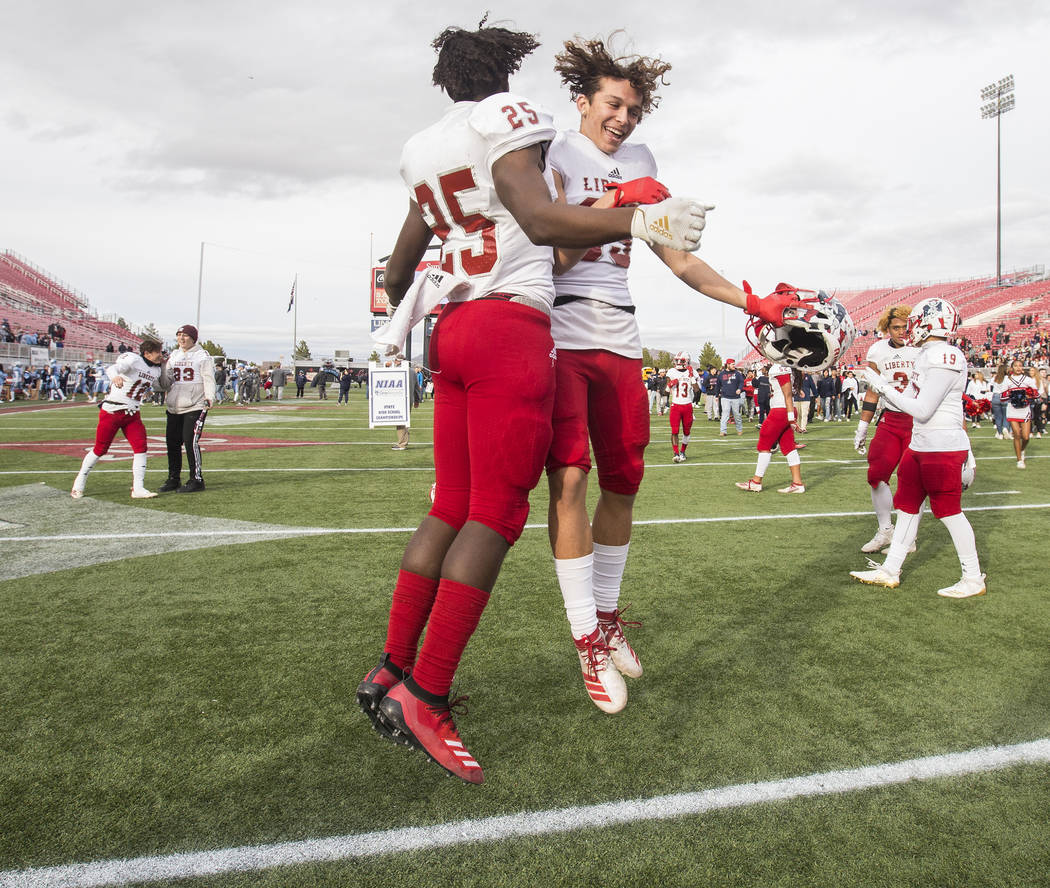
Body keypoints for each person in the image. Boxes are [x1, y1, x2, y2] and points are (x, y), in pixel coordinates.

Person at [356, 18, 712, 784]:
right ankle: (430, 694)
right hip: (507, 324)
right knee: (495, 514)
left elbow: (395, 275)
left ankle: (389, 669)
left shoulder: (423, 149)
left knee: (449, 505)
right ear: (505, 76)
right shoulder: (508, 121)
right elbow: (542, 218)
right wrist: (640, 216)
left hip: (446, 332)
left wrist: (422, 283)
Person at [539, 34, 803, 715]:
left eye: (633, 110)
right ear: (582, 101)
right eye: (613, 105)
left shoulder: (642, 159)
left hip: (621, 335)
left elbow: (679, 260)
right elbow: (553, 257)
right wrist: (615, 207)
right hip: (562, 330)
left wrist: (751, 301)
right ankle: (584, 640)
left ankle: (606, 615)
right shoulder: (553, 152)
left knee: (626, 483)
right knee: (570, 477)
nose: (623, 119)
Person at [852, 298, 985, 598]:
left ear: (928, 322)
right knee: (908, 507)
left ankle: (973, 577)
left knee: (949, 512)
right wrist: (879, 388)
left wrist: (882, 386)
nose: (909, 327)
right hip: (920, 443)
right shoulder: (927, 354)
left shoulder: (946, 355)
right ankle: (890, 569)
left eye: (914, 321)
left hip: (941, 445)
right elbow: (912, 403)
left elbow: (923, 409)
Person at [852, 305, 919, 554]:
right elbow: (873, 389)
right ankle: (886, 531)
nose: (902, 331)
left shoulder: (922, 347)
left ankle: (908, 538)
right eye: (896, 327)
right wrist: (862, 426)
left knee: (911, 480)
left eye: (905, 326)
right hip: (890, 419)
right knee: (877, 473)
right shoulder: (878, 350)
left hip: (918, 420)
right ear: (886, 329)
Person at [71, 338, 166, 500]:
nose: (160, 355)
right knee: (100, 449)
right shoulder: (134, 359)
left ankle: (138, 488)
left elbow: (159, 385)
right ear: (147, 353)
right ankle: (78, 483)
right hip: (113, 410)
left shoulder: (157, 369)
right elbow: (112, 369)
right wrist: (115, 377)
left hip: (132, 413)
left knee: (141, 447)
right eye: (158, 352)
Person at [156, 324, 215, 493]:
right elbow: (166, 382)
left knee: (190, 441)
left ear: (193, 338)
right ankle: (173, 478)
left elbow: (208, 378)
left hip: (194, 405)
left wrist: (209, 397)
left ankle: (196, 479)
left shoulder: (202, 356)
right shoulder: (173, 356)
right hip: (174, 405)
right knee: (172, 443)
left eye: (185, 335)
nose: (181, 338)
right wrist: (160, 368)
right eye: (179, 335)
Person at [735, 364, 806, 493]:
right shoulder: (791, 367)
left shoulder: (781, 367)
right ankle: (797, 483)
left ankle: (756, 481)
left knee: (764, 444)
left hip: (781, 410)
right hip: (785, 409)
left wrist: (791, 418)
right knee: (788, 447)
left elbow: (788, 394)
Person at [1001, 358, 1038, 468]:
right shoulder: (1007, 380)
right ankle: (1019, 460)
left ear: (1022, 368)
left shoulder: (1028, 379)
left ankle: (1022, 450)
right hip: (1012, 409)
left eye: (1020, 365)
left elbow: (1036, 394)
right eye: (1016, 365)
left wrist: (1028, 394)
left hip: (1025, 409)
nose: (1018, 367)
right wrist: (1012, 394)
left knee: (1026, 437)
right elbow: (1002, 398)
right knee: (1017, 434)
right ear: (1012, 368)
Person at [665, 351, 698, 463]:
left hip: (687, 405)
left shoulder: (692, 372)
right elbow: (666, 391)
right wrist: (670, 385)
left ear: (687, 361)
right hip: (675, 405)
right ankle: (676, 453)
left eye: (681, 360)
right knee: (674, 431)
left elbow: (697, 390)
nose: (678, 362)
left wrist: (692, 376)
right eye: (677, 360)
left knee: (686, 432)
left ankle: (683, 451)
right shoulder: (672, 371)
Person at [717, 357, 745, 436]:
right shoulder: (721, 374)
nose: (734, 366)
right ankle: (723, 431)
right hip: (725, 397)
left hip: (735, 397)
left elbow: (741, 382)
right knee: (725, 413)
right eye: (732, 364)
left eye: (734, 364)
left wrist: (739, 389)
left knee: (737, 414)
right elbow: (718, 385)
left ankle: (739, 429)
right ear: (728, 365)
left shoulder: (737, 373)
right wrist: (716, 395)